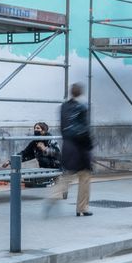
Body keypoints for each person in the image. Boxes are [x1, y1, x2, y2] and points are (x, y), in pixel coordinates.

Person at [49, 83, 93, 216]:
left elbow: (63, 126)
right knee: (85, 176)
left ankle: (54, 196)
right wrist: (89, 146)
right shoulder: (83, 107)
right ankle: (82, 208)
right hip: (80, 146)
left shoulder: (64, 106)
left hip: (68, 145)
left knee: (67, 174)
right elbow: (84, 129)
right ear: (81, 93)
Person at [4, 121, 61, 186]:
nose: (35, 130)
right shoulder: (34, 143)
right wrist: (11, 161)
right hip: (44, 170)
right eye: (35, 128)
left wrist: (45, 149)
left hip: (56, 169)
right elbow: (25, 153)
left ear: (43, 131)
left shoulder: (50, 139)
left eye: (38, 128)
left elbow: (58, 154)